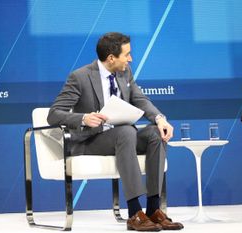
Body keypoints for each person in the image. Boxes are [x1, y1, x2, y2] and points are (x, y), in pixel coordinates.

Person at [47, 32, 184, 231]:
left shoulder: (124, 73)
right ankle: (135, 213)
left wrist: (160, 118)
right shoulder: (80, 77)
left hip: (123, 138)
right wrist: (84, 118)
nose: (131, 59)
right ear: (111, 57)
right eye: (127, 54)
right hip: (91, 140)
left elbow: (140, 100)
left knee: (155, 133)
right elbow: (54, 114)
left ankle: (154, 209)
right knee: (127, 132)